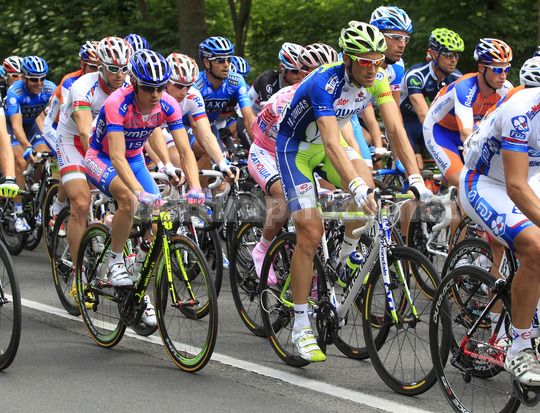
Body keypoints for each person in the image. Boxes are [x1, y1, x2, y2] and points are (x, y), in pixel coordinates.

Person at [276, 22, 431, 362]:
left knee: (368, 192)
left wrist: (416, 177)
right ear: (347, 58)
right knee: (311, 232)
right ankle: (300, 325)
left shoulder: (378, 79)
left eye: (378, 61)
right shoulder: (324, 82)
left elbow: (396, 129)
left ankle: (344, 258)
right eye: (364, 61)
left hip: (326, 146)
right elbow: (332, 143)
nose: (372, 68)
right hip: (296, 150)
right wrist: (356, 187)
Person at [85, 50, 203, 303]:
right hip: (102, 158)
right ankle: (116, 261)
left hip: (135, 159)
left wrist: (195, 186)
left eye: (161, 87)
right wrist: (139, 192)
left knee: (159, 220)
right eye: (149, 88)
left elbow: (184, 150)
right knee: (129, 199)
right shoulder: (117, 103)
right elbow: (117, 156)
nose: (156, 94)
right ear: (135, 83)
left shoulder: (168, 104)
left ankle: (136, 274)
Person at [460, 82, 540, 386]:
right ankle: (519, 346)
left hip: (531, 177)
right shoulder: (522, 111)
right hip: (485, 182)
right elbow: (515, 186)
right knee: (535, 247)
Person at [248, 43, 339, 282]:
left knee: (326, 202)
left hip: (302, 153)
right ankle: (262, 248)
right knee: (284, 198)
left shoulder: (336, 98)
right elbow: (258, 130)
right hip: (267, 152)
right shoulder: (284, 99)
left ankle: (313, 274)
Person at [56, 36, 131, 303]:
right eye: (114, 69)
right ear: (101, 66)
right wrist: (104, 168)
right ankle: (78, 275)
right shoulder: (82, 87)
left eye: (125, 68)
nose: (120, 75)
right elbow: (86, 134)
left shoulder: (130, 87)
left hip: (108, 144)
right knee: (80, 202)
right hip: (74, 142)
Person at [423, 38, 513, 187]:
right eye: (497, 70)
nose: (503, 75)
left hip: (473, 128)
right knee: (463, 182)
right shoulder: (465, 87)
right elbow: (466, 134)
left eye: (506, 69)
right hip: (439, 131)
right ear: (482, 68)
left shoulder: (506, 89)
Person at [5, 56, 56, 231]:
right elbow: (16, 126)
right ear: (24, 78)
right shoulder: (15, 92)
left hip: (32, 126)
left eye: (42, 78)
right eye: (34, 79)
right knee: (21, 162)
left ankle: (36, 199)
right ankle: (18, 212)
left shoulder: (50, 88)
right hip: (12, 127)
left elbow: (57, 118)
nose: (39, 83)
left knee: (43, 158)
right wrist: (27, 146)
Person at [400, 28, 463, 168]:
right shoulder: (416, 75)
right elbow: (424, 117)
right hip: (406, 124)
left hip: (432, 127)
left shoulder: (457, 78)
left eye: (457, 55)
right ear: (434, 54)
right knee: (416, 166)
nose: (453, 60)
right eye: (448, 54)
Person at [163, 52, 233, 178]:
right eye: (179, 86)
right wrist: (163, 163)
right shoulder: (155, 95)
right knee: (176, 161)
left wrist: (222, 163)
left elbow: (205, 133)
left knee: (205, 154)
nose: (184, 92)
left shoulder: (193, 95)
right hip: (145, 131)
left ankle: (200, 189)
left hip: (170, 128)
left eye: (188, 86)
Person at [194, 36, 256, 151]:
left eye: (229, 59)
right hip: (188, 125)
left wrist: (260, 146)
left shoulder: (236, 81)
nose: (226, 64)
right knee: (207, 153)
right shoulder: (196, 85)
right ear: (207, 62)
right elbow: (194, 124)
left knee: (226, 159)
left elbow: (248, 117)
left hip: (210, 126)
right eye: (220, 60)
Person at [370, 5, 413, 104]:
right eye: (396, 37)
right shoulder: (356, 62)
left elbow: (394, 106)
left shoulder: (398, 66)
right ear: (377, 36)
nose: (402, 45)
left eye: (406, 39)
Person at [248, 42, 305, 113]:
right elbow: (267, 112)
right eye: (295, 71)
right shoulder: (267, 78)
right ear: (282, 68)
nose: (300, 76)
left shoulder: (302, 84)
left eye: (303, 72)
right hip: (249, 114)